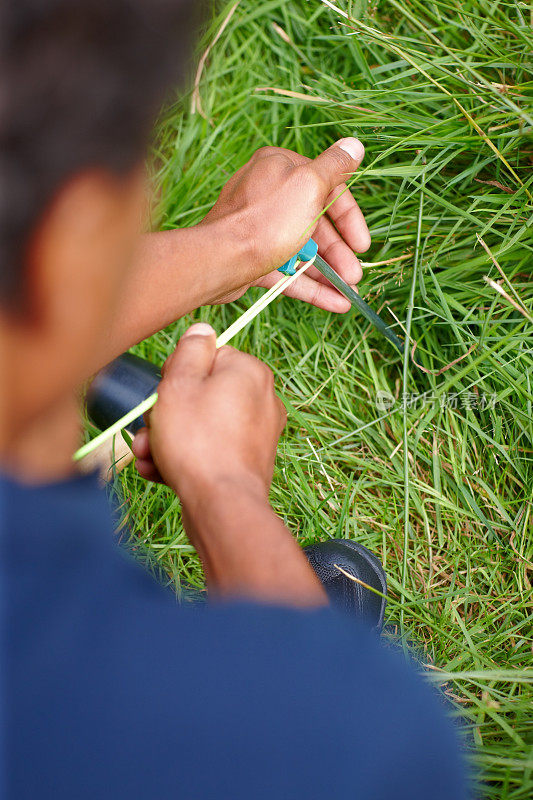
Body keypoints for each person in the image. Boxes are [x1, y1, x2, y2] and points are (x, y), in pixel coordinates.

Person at [0, 1, 468, 797]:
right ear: (72, 238)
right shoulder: (367, 742)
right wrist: (226, 492)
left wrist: (240, 245)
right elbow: (326, 725)